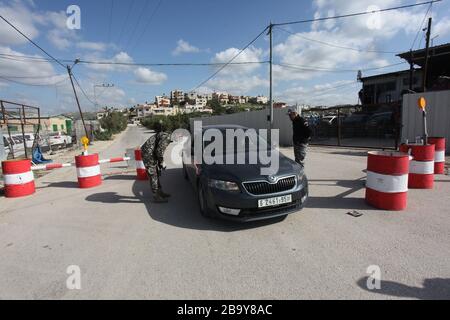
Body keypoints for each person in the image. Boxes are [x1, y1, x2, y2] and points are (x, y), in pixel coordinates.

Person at [141, 121, 172, 203]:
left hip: (151, 153)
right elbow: (159, 151)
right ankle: (156, 196)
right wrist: (162, 162)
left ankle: (160, 192)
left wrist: (159, 163)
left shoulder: (166, 135)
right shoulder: (167, 137)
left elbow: (158, 151)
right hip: (148, 154)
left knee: (157, 173)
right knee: (153, 175)